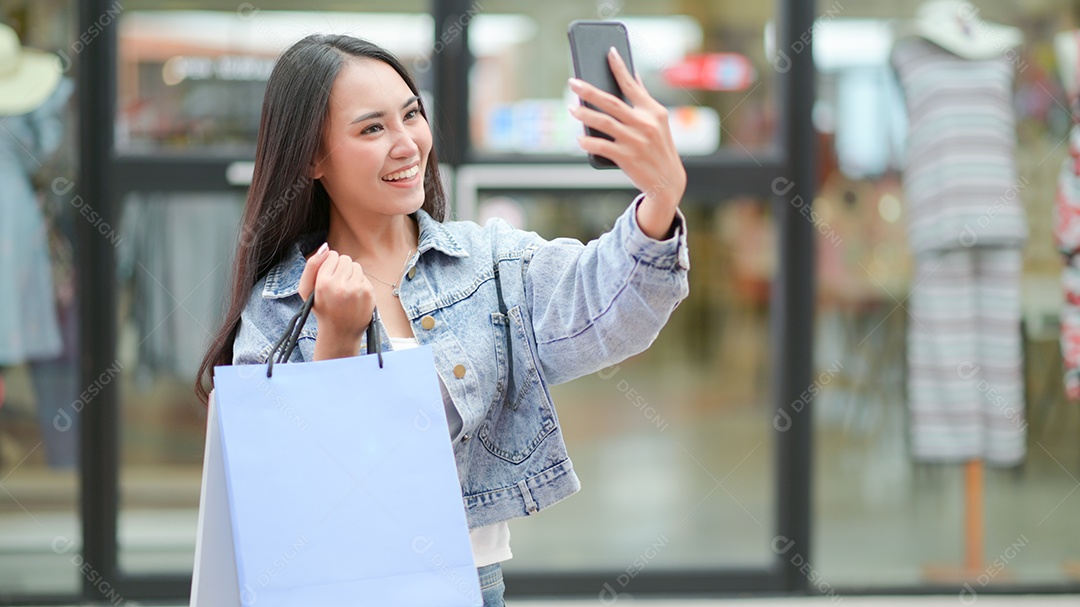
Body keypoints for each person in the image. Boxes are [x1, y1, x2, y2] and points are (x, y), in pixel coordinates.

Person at [196, 34, 689, 606]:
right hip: (337, 588)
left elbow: (608, 312)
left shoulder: (490, 264)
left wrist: (660, 197)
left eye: (412, 115)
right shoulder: (279, 304)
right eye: (371, 128)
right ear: (311, 157)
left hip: (471, 585)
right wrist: (336, 339)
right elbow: (297, 491)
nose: (407, 144)